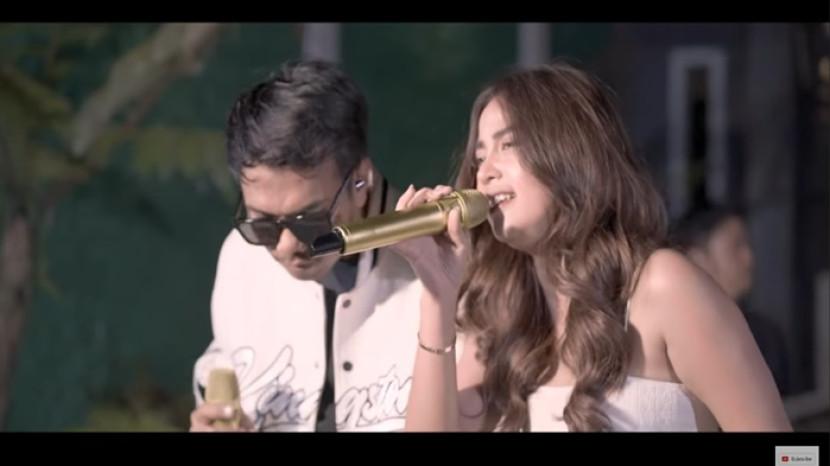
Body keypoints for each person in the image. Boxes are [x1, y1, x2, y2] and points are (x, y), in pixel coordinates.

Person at [392, 61, 791, 431]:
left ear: (569, 152)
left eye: (508, 145)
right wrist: (438, 297)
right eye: (479, 158)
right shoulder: (503, 316)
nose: (485, 173)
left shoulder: (664, 285)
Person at [189, 60, 424, 432]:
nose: (286, 246)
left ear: (360, 181)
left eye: (309, 221)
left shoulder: (439, 267)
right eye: (262, 225)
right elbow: (224, 360)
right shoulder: (240, 254)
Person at [673, 205, 791, 397]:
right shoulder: (674, 339)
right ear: (698, 258)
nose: (749, 258)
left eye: (748, 246)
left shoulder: (766, 336)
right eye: (736, 247)